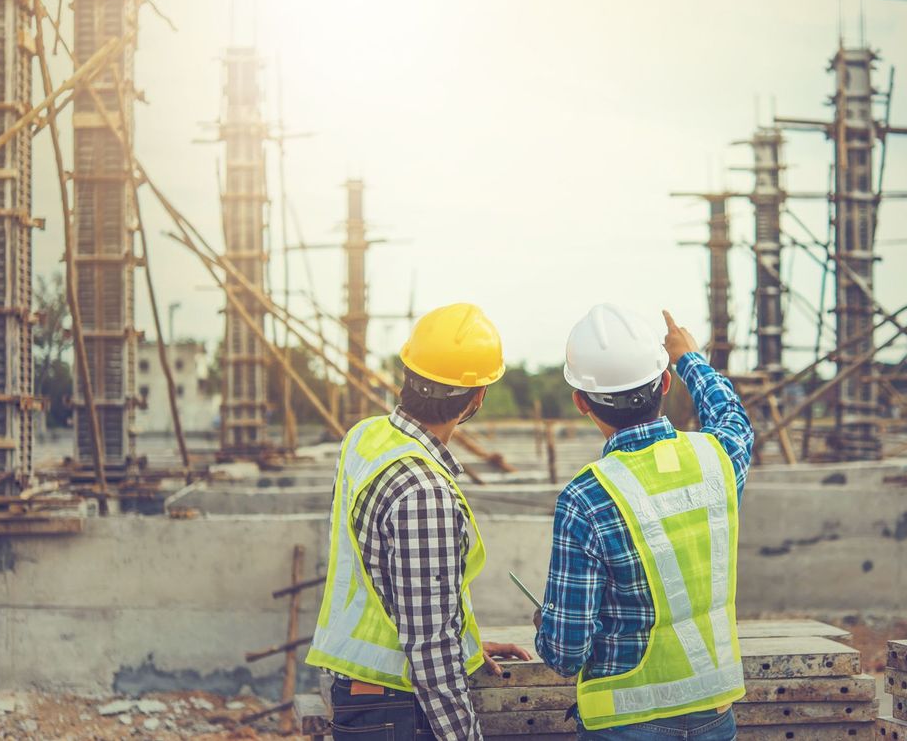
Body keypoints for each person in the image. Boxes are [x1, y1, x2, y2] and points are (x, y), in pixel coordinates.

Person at [306, 303, 531, 741]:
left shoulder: (365, 437)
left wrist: (463, 643)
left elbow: (390, 581)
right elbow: (429, 650)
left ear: (407, 374)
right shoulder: (425, 492)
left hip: (364, 693)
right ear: (477, 396)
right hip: (399, 707)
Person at [535, 304, 754, 740]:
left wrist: (548, 624)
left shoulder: (587, 497)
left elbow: (565, 652)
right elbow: (733, 417)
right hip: (714, 715)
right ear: (666, 382)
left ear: (581, 401)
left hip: (623, 725)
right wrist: (689, 357)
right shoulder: (718, 458)